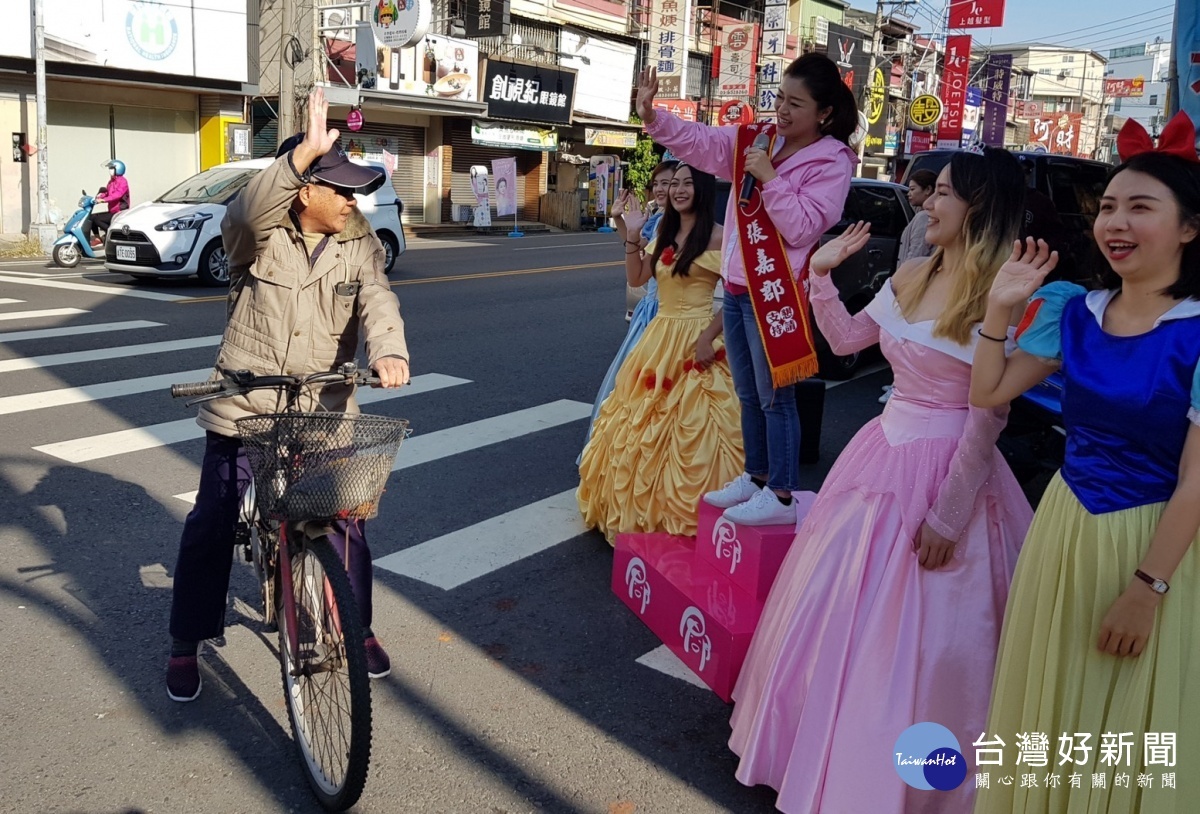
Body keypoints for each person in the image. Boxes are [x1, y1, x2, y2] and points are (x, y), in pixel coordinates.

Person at [728, 148, 1034, 813]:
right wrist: (821, 277)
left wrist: (950, 517)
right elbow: (844, 343)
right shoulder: (915, 271)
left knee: (934, 641)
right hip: (880, 455)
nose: (926, 202)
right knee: (846, 619)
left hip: (952, 468)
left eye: (942, 193)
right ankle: (834, 756)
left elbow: (988, 418)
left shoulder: (1003, 292)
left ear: (976, 206)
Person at [969, 113, 1200, 813]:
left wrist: (1145, 589)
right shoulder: (1075, 309)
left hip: (1158, 546)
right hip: (1065, 530)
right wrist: (998, 308)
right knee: (1055, 697)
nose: (1115, 222)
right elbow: (988, 392)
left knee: (1130, 721)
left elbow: (1196, 479)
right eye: (1107, 207)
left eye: (1140, 207)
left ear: (1190, 227)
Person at [165, 88, 411, 702]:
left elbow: (378, 300)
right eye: (342, 188)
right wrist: (301, 154)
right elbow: (244, 217)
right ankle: (186, 638)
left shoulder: (360, 242)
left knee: (345, 522)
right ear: (306, 191)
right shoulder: (259, 237)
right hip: (246, 403)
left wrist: (388, 349)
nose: (354, 200)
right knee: (212, 520)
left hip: (322, 406)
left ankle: (357, 627)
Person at [637, 54, 857, 526]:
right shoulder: (757, 140)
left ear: (824, 113)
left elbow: (802, 228)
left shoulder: (834, 161)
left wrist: (770, 179)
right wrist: (653, 117)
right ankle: (755, 475)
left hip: (777, 294)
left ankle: (780, 494)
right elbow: (700, 142)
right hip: (738, 287)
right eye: (779, 98)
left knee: (777, 398)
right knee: (748, 393)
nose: (781, 110)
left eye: (795, 104)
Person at [577, 165, 743, 542]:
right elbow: (637, 278)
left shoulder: (720, 237)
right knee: (639, 422)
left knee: (700, 423)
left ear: (702, 189)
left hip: (699, 337)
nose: (679, 190)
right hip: (658, 337)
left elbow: (736, 294)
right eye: (674, 184)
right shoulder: (665, 231)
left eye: (687, 184)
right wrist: (632, 234)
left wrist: (708, 337)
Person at [581, 161, 678, 465]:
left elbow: (640, 254)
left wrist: (627, 226)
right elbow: (636, 253)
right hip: (650, 309)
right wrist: (620, 220)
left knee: (653, 386)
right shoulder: (659, 218)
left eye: (670, 183)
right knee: (639, 384)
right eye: (658, 184)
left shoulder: (673, 224)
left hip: (668, 313)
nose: (663, 189)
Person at [624, 162, 678, 321]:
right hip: (658, 315)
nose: (659, 189)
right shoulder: (660, 223)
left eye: (666, 183)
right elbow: (636, 278)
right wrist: (631, 232)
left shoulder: (711, 231)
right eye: (656, 184)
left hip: (691, 326)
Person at [897, 168, 937, 264]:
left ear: (928, 189)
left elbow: (916, 253)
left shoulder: (924, 217)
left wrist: (903, 274)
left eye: (912, 189)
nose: (908, 194)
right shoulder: (923, 213)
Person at [89, 159, 130, 247]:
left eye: (112, 168)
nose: (110, 170)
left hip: (119, 211)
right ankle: (98, 238)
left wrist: (104, 200)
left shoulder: (123, 181)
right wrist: (99, 197)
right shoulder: (111, 181)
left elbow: (117, 195)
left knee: (98, 219)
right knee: (92, 217)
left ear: (118, 169)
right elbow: (107, 192)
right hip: (112, 210)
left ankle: (112, 234)